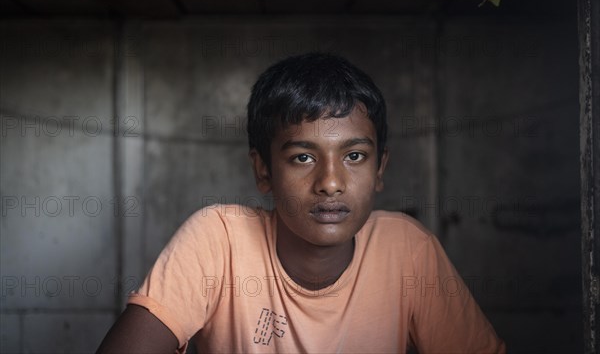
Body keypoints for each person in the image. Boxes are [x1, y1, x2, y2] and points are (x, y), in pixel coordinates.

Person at [97, 53, 505, 353]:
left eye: (354, 156)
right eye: (303, 157)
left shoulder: (407, 250)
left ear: (380, 169)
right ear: (263, 171)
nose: (330, 182)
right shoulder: (218, 238)